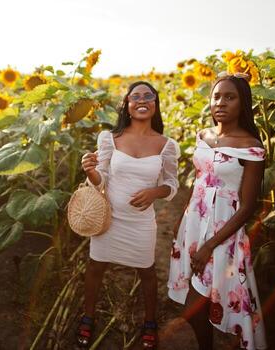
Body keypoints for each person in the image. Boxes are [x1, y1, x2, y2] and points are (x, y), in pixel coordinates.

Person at [167, 73, 268, 350]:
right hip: (194, 223)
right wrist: (182, 221)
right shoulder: (203, 136)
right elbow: (200, 181)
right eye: (216, 96)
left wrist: (210, 244)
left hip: (223, 231)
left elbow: (248, 207)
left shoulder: (251, 146)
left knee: (218, 297)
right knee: (193, 297)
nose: (221, 102)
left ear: (242, 103)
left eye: (230, 97)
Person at [77, 81, 180, 349]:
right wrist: (90, 172)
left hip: (140, 223)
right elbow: (102, 180)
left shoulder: (167, 145)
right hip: (108, 218)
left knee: (146, 272)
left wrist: (155, 192)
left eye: (149, 95)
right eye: (136, 96)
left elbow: (172, 184)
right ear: (127, 104)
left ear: (155, 104)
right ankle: (88, 317)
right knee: (96, 266)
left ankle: (149, 322)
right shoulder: (109, 139)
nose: (142, 99)